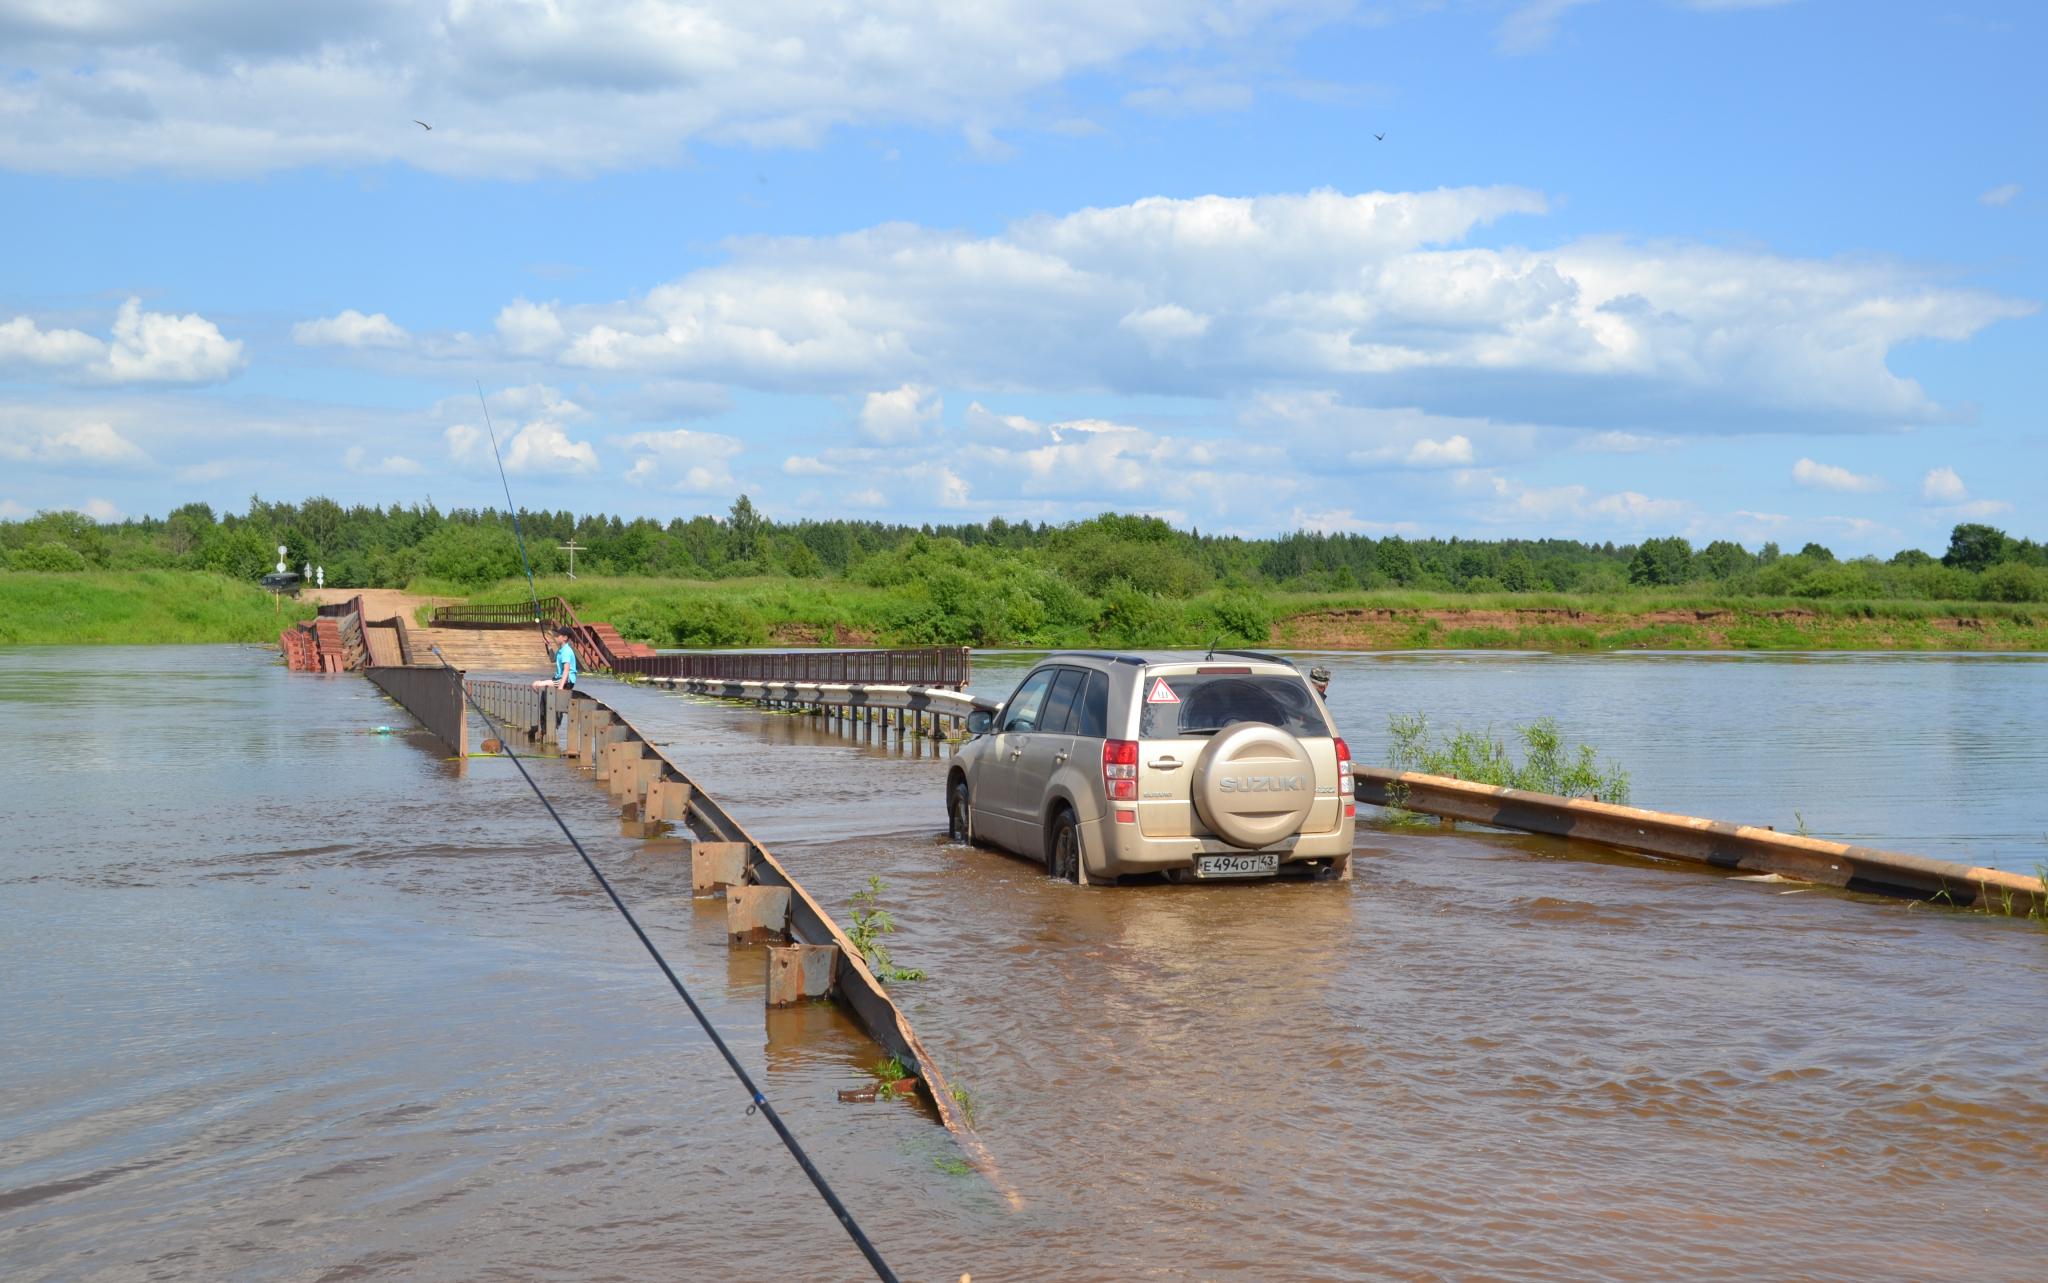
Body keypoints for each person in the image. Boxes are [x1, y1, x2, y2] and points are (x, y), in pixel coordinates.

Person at [533, 626, 577, 693]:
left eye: (558, 635)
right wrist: (549, 645)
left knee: (537, 685)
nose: (556, 637)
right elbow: (552, 659)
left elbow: (566, 670)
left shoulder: (566, 651)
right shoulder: (561, 650)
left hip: (566, 681)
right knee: (536, 684)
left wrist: (561, 687)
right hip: (558, 679)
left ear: (565, 638)